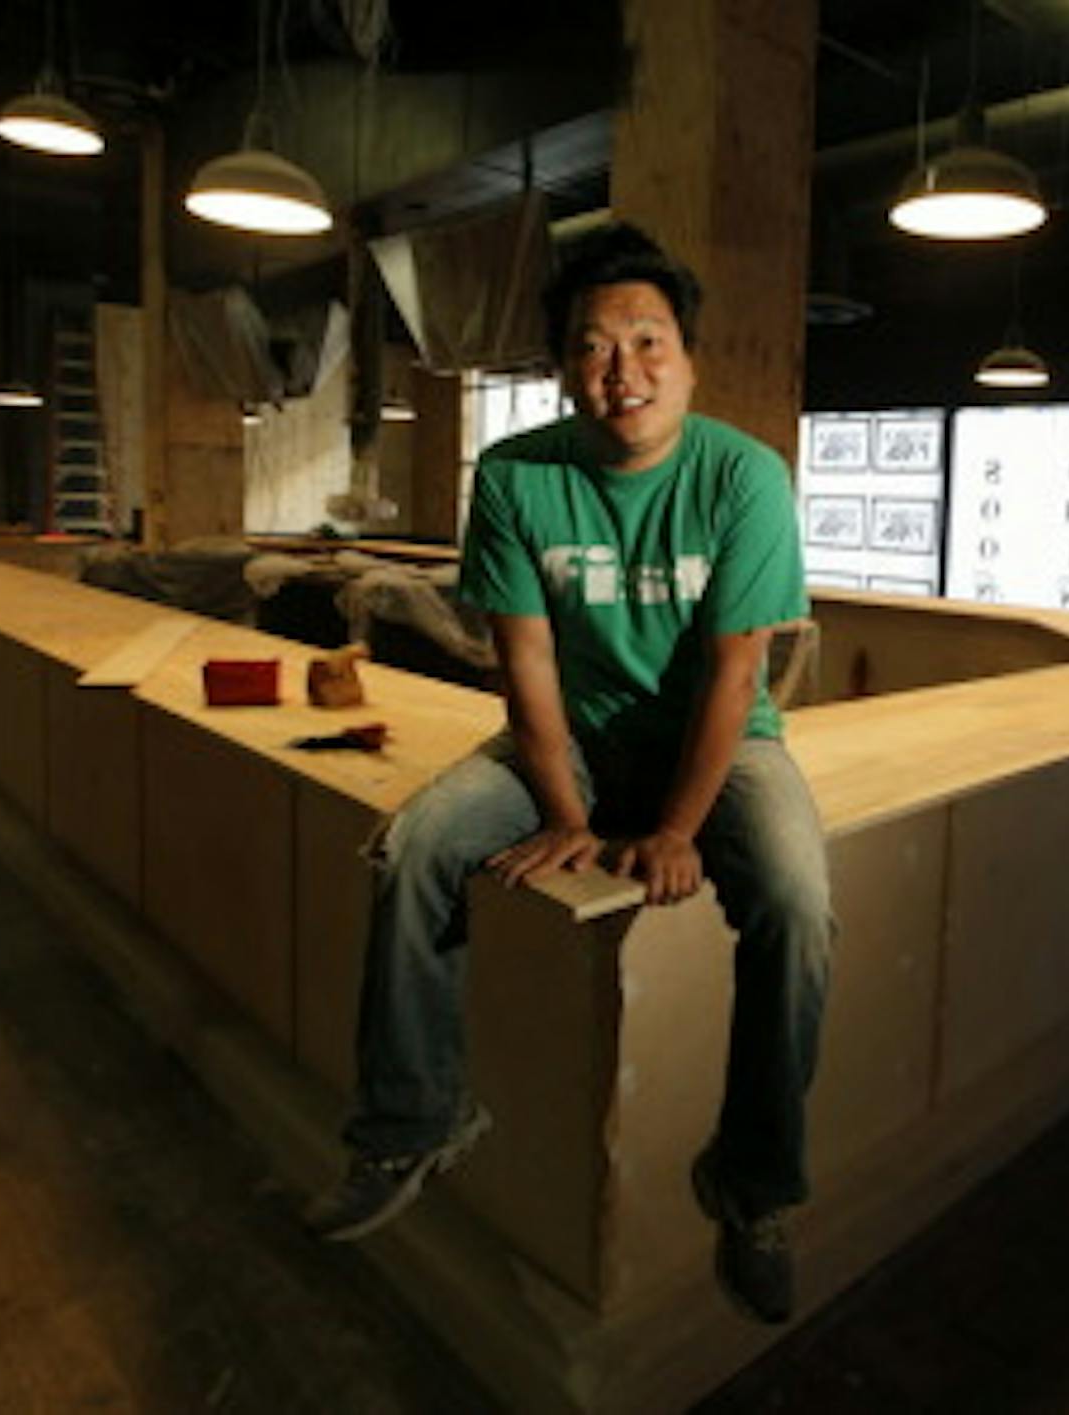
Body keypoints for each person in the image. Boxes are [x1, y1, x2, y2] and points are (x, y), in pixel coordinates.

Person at [303, 223, 833, 1327]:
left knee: (795, 896)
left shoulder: (745, 476)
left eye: (648, 342)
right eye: (593, 347)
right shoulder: (513, 475)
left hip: (721, 742)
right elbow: (526, 664)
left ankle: (755, 1185)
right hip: (573, 736)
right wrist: (566, 811)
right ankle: (413, 1122)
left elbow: (737, 671)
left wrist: (676, 829)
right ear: (561, 369)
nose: (621, 370)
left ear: (689, 360)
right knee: (415, 847)